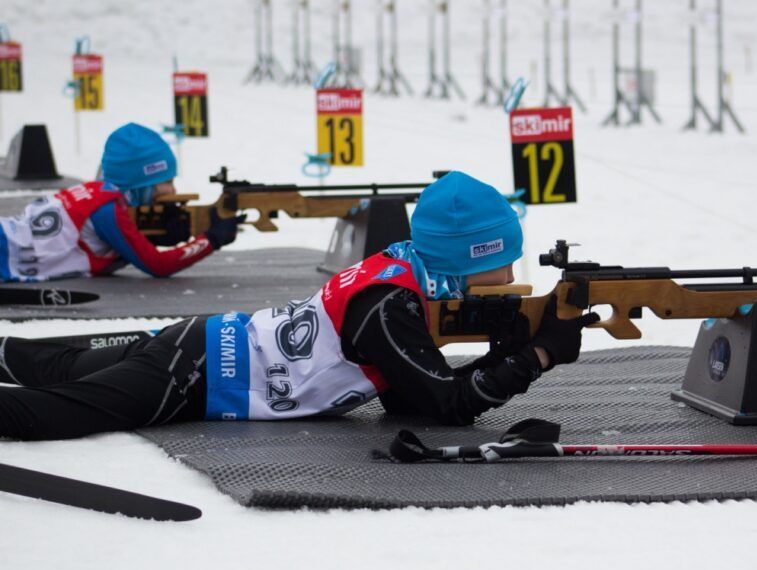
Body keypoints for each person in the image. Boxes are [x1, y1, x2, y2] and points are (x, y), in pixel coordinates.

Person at [0, 171, 598, 440]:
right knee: (54, 413)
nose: (513, 277)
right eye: (505, 263)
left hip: (206, 347)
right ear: (468, 259)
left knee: (53, 365)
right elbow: (451, 406)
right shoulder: (391, 305)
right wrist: (539, 355)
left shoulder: (399, 278)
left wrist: (511, 351)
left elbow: (411, 396)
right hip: (201, 375)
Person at [0, 122, 241, 282]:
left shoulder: (96, 192)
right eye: (167, 181)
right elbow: (157, 266)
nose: (173, 190)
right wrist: (212, 239)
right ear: (143, 181)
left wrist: (153, 237)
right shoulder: (107, 211)